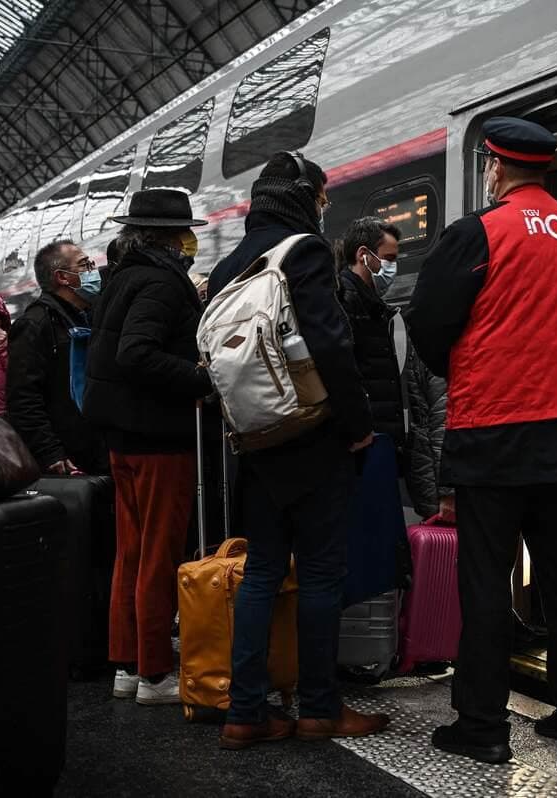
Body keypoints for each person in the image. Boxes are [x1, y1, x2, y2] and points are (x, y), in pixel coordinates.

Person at [406, 118, 557, 763]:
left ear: (494, 168)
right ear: (543, 170)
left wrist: (459, 365)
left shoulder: (479, 233)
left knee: (487, 584)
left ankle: (484, 728)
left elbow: (427, 325)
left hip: (495, 431)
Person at [208, 152, 387, 750]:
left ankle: (245, 711)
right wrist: (358, 424)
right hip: (311, 438)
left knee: (261, 571)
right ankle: (317, 708)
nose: (324, 206)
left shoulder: (232, 260)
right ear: (303, 197)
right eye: (322, 195)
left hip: (256, 442)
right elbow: (331, 345)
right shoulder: (302, 252)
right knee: (317, 575)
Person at [81, 189, 213, 706]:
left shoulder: (122, 278)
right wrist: (198, 377)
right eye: (187, 232)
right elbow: (136, 353)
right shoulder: (161, 281)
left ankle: (127, 667)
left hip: (123, 438)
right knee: (159, 556)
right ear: (167, 236)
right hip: (159, 438)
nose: (192, 241)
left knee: (131, 556)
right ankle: (156, 673)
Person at [7, 239, 108, 475]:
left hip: (95, 447)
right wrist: (50, 452)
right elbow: (23, 397)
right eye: (85, 265)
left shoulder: (86, 317)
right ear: (62, 277)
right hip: (67, 457)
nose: (94, 272)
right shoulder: (35, 324)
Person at [336, 218, 405, 457]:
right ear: (363, 255)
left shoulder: (374, 307)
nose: (392, 269)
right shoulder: (344, 303)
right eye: (388, 259)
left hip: (379, 443)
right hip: (364, 447)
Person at [404, 347, 453, 522]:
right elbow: (442, 422)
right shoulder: (437, 345)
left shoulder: (428, 342)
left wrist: (448, 492)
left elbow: (442, 421)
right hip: (439, 484)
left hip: (436, 481)